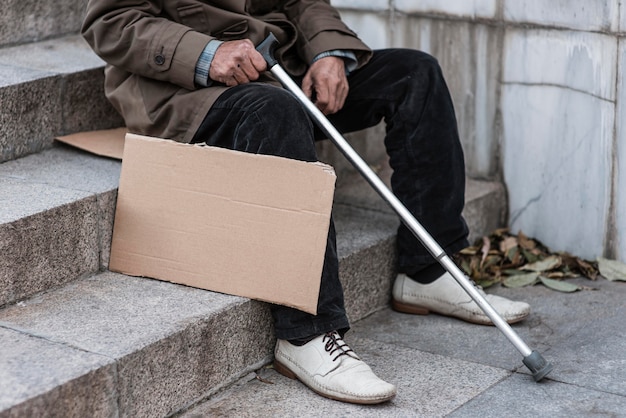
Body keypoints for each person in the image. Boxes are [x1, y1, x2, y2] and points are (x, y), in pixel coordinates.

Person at [82, 0, 531, 405]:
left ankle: (429, 270)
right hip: (188, 89)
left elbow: (302, 0)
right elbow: (110, 20)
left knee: (414, 74)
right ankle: (306, 334)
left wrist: (328, 51)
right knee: (274, 111)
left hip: (280, 65)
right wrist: (206, 54)